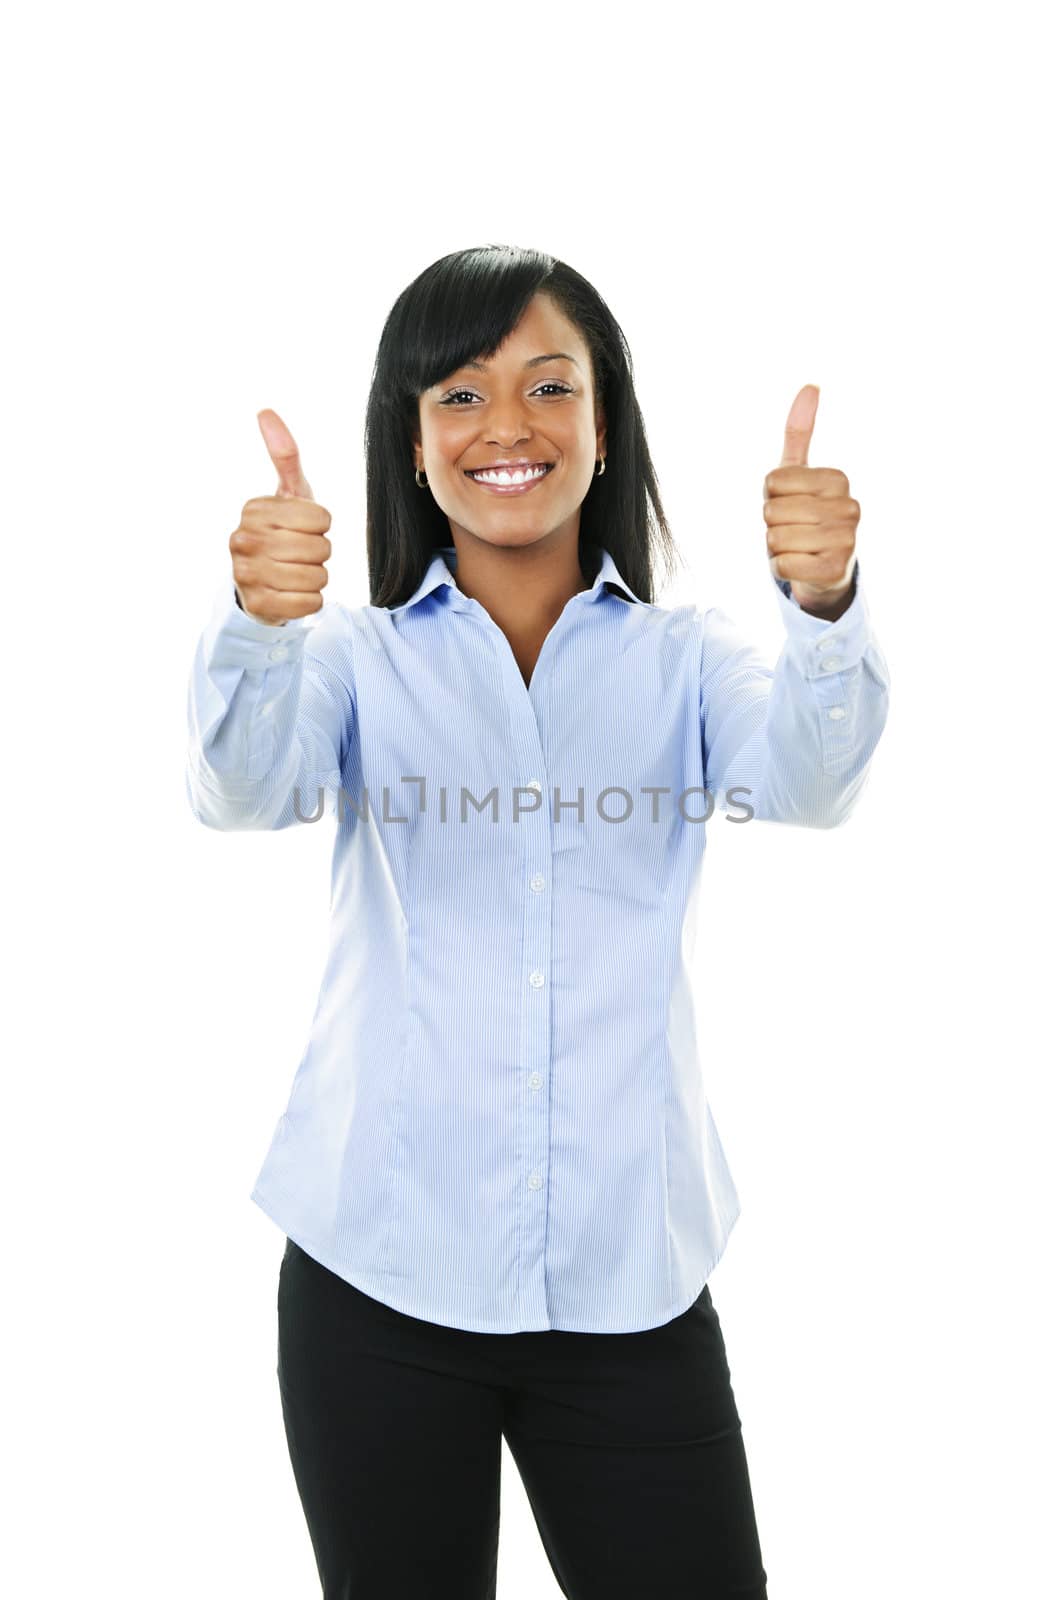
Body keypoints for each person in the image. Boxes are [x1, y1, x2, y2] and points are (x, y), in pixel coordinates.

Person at [185, 243, 890, 1599]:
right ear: (410, 444)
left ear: (606, 427)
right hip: (375, 1281)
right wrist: (258, 628)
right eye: (456, 395)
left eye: (547, 386)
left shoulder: (690, 663)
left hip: (630, 1291)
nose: (505, 427)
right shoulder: (353, 659)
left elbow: (808, 783)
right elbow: (240, 791)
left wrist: (824, 606)